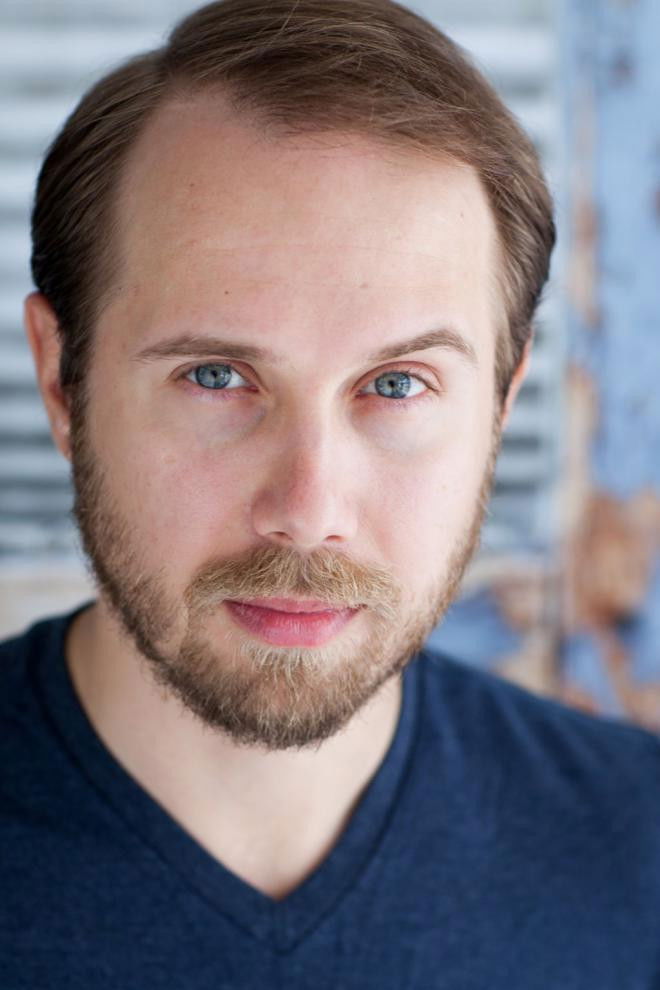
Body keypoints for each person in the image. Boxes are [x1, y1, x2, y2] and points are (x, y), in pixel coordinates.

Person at [2, 0, 659, 985]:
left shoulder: (638, 851)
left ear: (500, 403)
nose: (308, 511)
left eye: (396, 386)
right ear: (63, 383)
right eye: (216, 376)